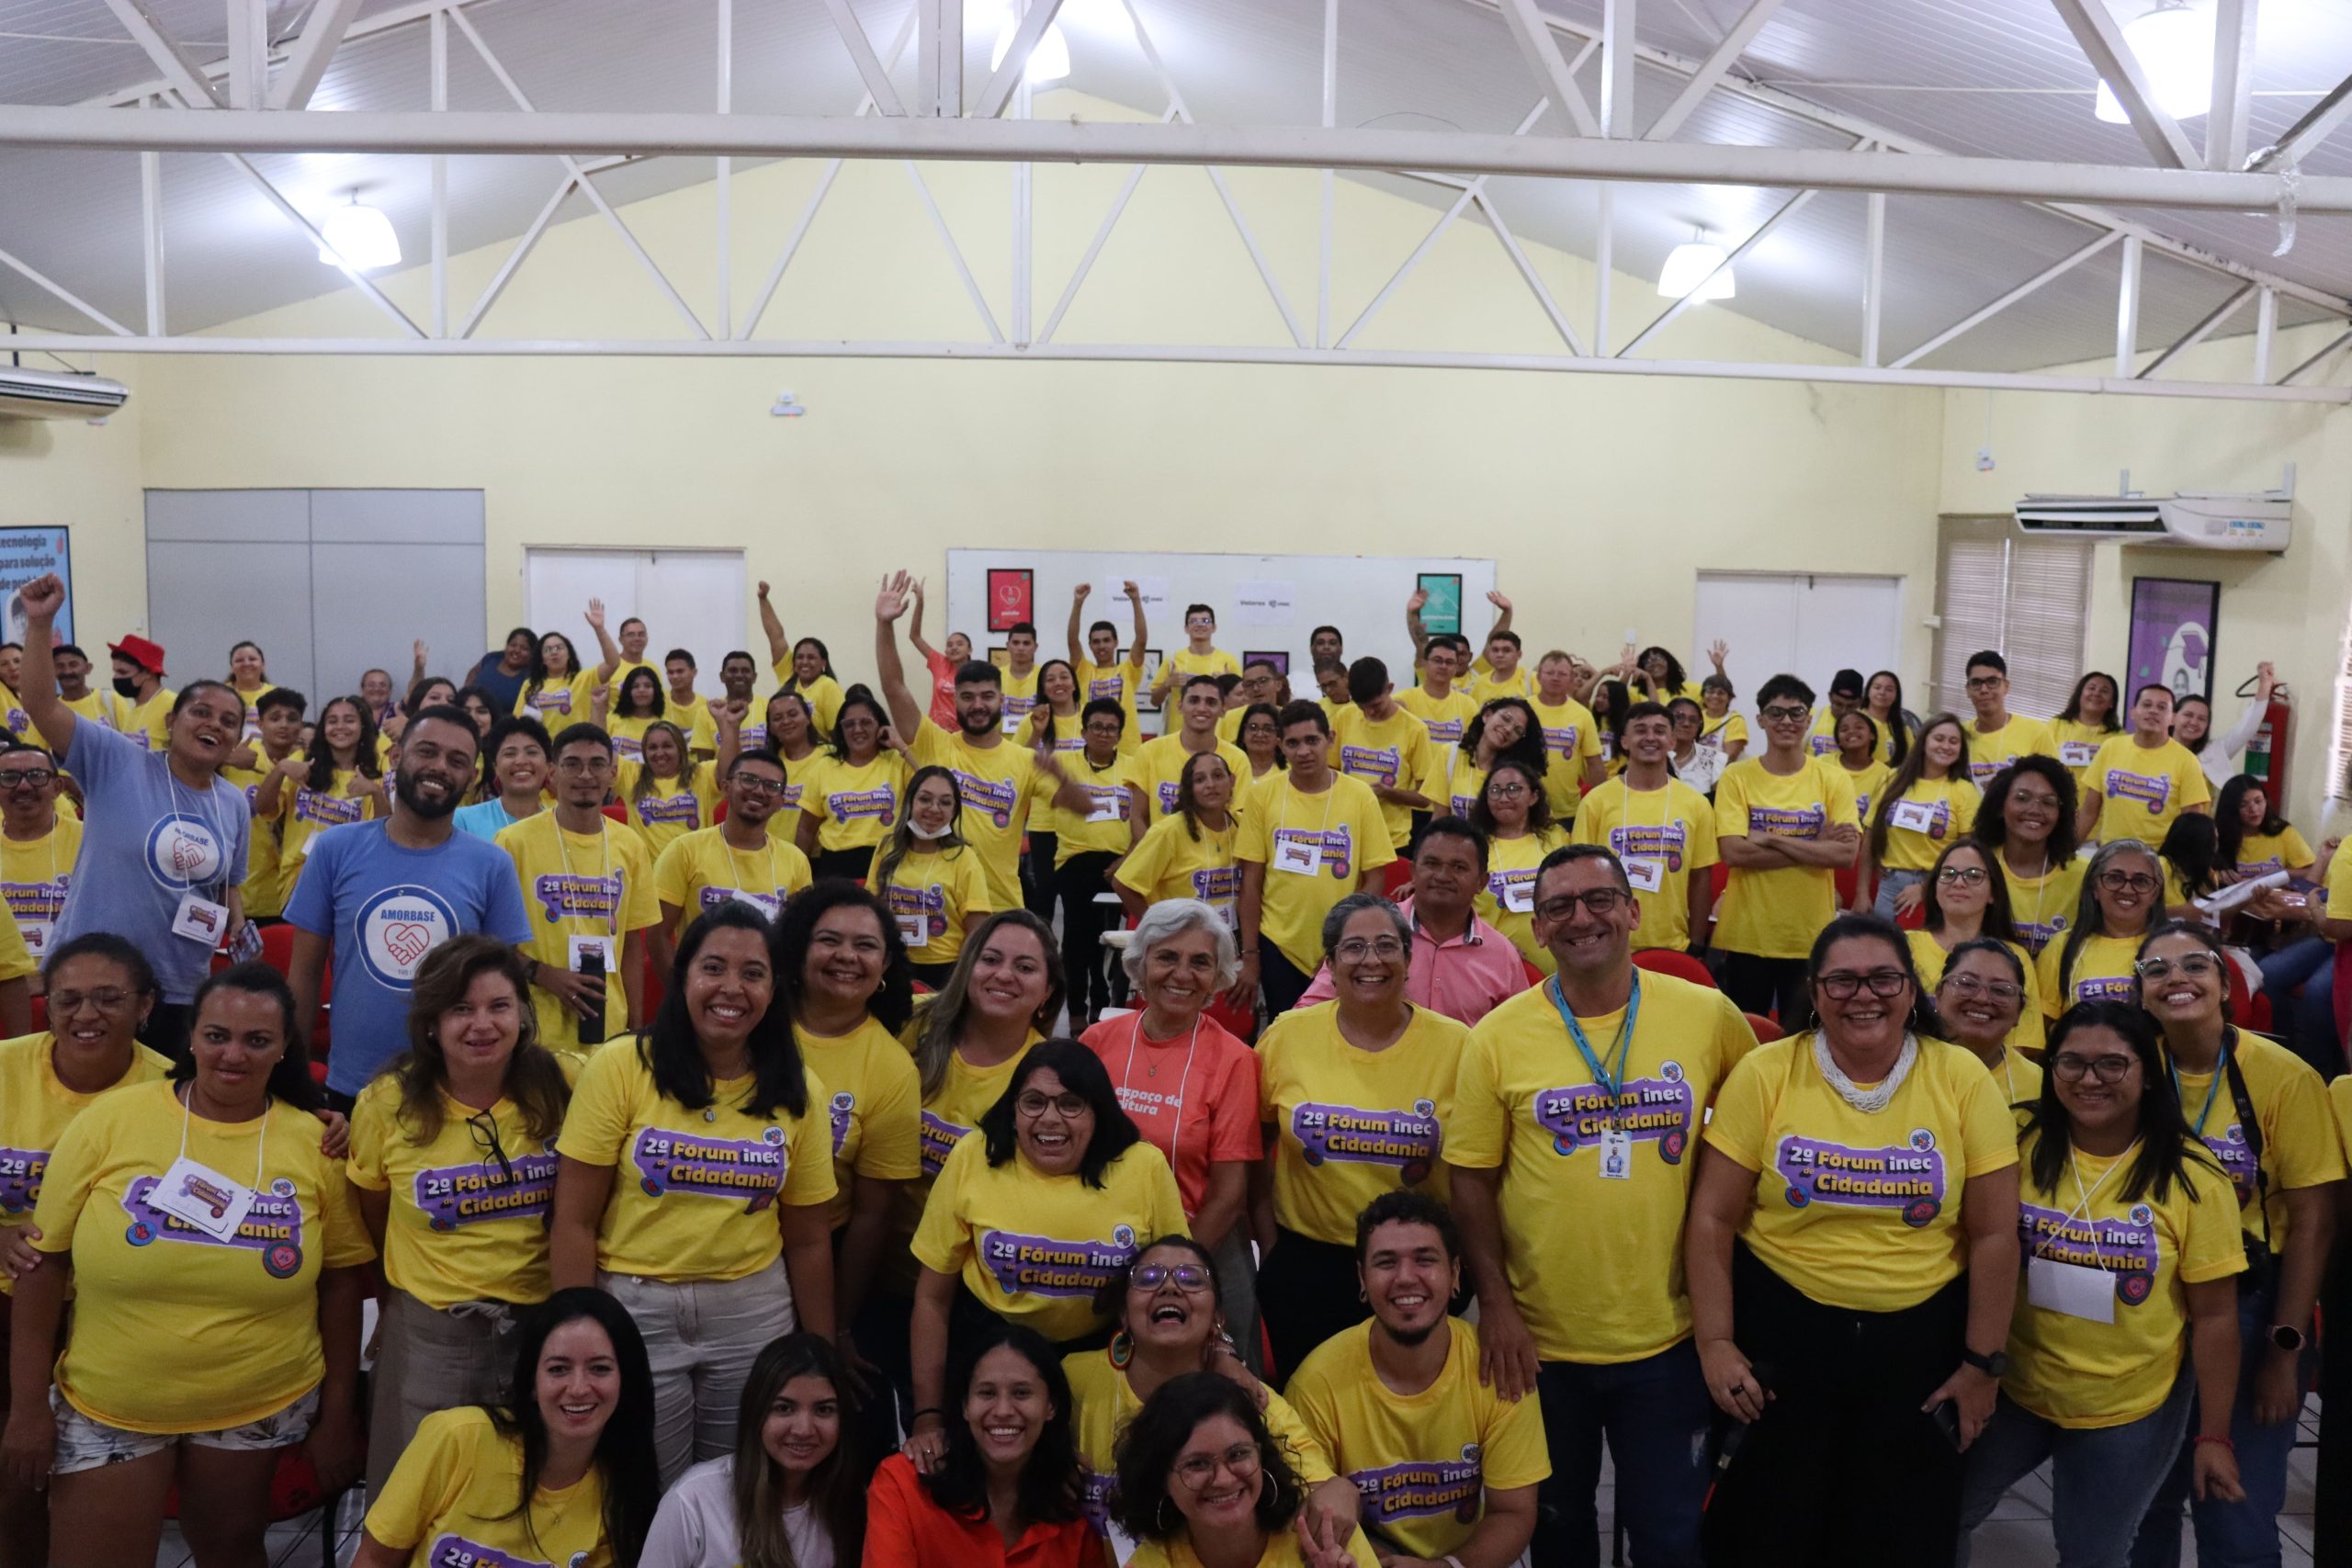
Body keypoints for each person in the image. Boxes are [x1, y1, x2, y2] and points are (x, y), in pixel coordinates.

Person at [1, 964, 371, 1568]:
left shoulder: (314, 1142)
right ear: (191, 1037)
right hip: (110, 1402)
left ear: (283, 1047)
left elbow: (340, 1282)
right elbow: (40, 1267)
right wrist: (26, 1408)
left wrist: (336, 1413)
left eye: (257, 1040)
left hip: (255, 1401)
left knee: (231, 1551)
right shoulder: (110, 1121)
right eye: (217, 1034)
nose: (234, 1054)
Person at [1447, 843, 1755, 1568]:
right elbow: (1469, 1179)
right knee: (1557, 1531)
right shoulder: (1497, 1037)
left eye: (1598, 899)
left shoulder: (1707, 1014)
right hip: (1541, 1344)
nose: (1581, 918)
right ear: (1537, 926)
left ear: (1633, 909)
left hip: (1669, 1336)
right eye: (1558, 905)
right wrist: (1494, 1303)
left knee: (1671, 1537)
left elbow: (1759, 1117)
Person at [1685, 913, 2021, 1565]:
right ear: (1813, 991)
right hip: (1782, 1342)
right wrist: (1716, 1343)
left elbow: (1993, 1234)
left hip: (1919, 1349)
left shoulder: (1960, 1076)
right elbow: (1712, 1218)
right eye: (1841, 980)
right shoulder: (1767, 1071)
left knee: (1894, 1536)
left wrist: (1983, 1366)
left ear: (1911, 988)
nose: (1862, 994)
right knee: (1767, 1530)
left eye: (1882, 978)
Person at [551, 904, 839, 1483]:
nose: (732, 988)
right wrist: (574, 1335)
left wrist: (819, 1354)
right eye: (713, 968)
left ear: (775, 988)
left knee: (740, 1484)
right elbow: (574, 1221)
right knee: (643, 1482)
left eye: (753, 973)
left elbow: (808, 1240)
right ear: (683, 976)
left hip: (752, 1314)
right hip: (636, 1310)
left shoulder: (798, 1088)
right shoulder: (621, 1067)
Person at [1954, 1000, 2246, 1567]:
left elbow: (2214, 1317)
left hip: (2129, 1405)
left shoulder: (2193, 1177)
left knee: (2093, 1553)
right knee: (1942, 1514)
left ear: (2147, 1072)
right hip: (2010, 1383)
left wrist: (2214, 1436)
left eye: (2112, 1065)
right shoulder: (2014, 1136)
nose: (2090, 1080)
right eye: (2071, 1064)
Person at [2128, 920, 2344, 1568]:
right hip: (2149, 1308)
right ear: (2140, 992)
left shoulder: (2283, 1075)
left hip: (2253, 1308)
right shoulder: (2128, 1069)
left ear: (2225, 986)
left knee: (2235, 1512)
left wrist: (2286, 1348)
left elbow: (2314, 1221)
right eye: (2157, 969)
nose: (2176, 979)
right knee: (2144, 1506)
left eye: (2195, 965)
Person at [346, 937, 571, 1494]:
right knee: (418, 1493)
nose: (482, 1025)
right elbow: (374, 1212)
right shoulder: (384, 1103)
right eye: (461, 1009)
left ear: (523, 1013)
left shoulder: (566, 1084)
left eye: (499, 1006)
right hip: (432, 1332)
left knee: (525, 1490)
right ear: (430, 1024)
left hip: (540, 1324)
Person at [908, 1042, 1187, 1461]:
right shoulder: (974, 1156)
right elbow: (931, 1298)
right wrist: (928, 1416)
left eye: (1071, 1104)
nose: (1050, 1118)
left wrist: (1218, 1357)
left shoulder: (1143, 1166)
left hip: (1101, 1354)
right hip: (986, 1346)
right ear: (1013, 1111)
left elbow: (1181, 1283)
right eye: (1033, 1102)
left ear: (1098, 1113)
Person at [19, 576, 245, 1060]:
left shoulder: (233, 802)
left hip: (180, 986)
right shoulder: (116, 761)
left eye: (229, 722)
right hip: (91, 984)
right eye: (201, 712)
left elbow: (228, 886)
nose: (214, 725)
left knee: (158, 1118)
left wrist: (242, 926)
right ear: (171, 722)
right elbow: (40, 704)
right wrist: (40, 624)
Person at [0, 936, 174, 1567]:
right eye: (68, 999)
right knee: (12, 1496)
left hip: (114, 1323)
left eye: (108, 999)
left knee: (83, 1508)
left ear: (146, 1005)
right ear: (47, 1007)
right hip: (9, 1304)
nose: (86, 1015)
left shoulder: (174, 1089)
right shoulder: (5, 1066)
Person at [1256, 894, 1468, 1380]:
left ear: (1408, 959)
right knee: (1309, 1409)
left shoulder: (1459, 1046)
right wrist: (1272, 1247)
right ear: (1328, 963)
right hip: (1308, 1264)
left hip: (1415, 1267)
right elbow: (1255, 1145)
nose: (1371, 961)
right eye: (1353, 948)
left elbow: (1478, 1171)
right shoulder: (1287, 1037)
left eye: (1386, 946)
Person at [285, 708, 535, 1109]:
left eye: (456, 761)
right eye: (427, 752)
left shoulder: (492, 864)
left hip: (457, 1090)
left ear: (471, 779)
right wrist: (292, 1073)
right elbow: (304, 973)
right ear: (396, 756)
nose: (439, 767)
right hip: (354, 1086)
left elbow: (506, 988)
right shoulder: (335, 849)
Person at [1286, 1191, 1546, 1567]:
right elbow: (1311, 1521)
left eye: (1425, 1260)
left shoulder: (1497, 1366)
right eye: (1386, 1263)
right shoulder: (1316, 1382)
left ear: (1456, 1274)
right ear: (1362, 1277)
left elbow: (1513, 1512)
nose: (1406, 1278)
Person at [356, 1286, 661, 1568]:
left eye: (600, 1369)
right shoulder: (458, 1438)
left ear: (625, 1381)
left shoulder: (621, 1495)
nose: (579, 1387)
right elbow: (374, 1559)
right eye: (558, 1369)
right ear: (531, 1382)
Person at [1064, 1235, 1350, 1529]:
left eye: (1191, 1279)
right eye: (1148, 1278)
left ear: (1218, 1319)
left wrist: (1342, 1492)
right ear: (1124, 1314)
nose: (1170, 1287)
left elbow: (1324, 1490)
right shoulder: (1074, 1378)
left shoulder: (1251, 1399)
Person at [768, 884, 921, 1432]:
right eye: (828, 940)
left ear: (884, 965)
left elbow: (873, 1215)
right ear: (798, 948)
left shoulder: (890, 1067)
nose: (846, 957)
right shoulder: (754, 1017)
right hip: (724, 1240)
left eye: (865, 946)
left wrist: (838, 1324)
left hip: (822, 1252)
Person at [1081, 903, 1262, 1339]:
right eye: (1167, 957)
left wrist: (1169, 1275)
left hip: (1201, 1248)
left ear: (1217, 977)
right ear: (1140, 964)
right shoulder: (1096, 1042)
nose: (1182, 974)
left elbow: (1228, 1194)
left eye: (1200, 962)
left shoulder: (1236, 1060)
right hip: (1095, 1243)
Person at [873, 572, 1092, 912]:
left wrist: (1061, 775)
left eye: (987, 696)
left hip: (1000, 908)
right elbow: (893, 687)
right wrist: (884, 625)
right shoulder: (935, 744)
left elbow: (1084, 808)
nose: (977, 705)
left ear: (1001, 700)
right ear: (954, 700)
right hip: (939, 906)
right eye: (968, 696)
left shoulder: (1023, 759)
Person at [866, 1321, 1097, 1567]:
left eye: (1021, 1393)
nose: (1003, 1410)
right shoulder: (903, 1483)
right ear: (965, 1406)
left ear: (1051, 1406)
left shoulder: (1074, 1505)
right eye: (987, 1393)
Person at [499, 723, 662, 1058]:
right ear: (553, 774)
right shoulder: (514, 842)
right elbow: (491, 940)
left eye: (597, 764)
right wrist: (544, 974)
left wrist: (633, 1028)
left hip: (607, 1027)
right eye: (572, 764)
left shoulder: (630, 845)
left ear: (613, 774)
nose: (585, 775)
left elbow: (633, 944)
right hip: (533, 1028)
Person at [642, 1331, 867, 1568]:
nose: (804, 1429)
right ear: (757, 1412)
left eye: (823, 1410)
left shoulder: (853, 1504)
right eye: (784, 1408)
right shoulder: (693, 1500)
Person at [1111, 1371, 1376, 1568]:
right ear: (1161, 1478)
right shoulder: (1149, 1564)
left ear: (1262, 1455)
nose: (1224, 1479)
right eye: (1197, 1464)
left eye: (1238, 1454)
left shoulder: (1326, 1533)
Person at [1712, 674, 1861, 1023]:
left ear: (1809, 719)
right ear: (1760, 719)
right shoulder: (1737, 777)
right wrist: (1815, 844)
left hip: (1809, 935)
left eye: (1796, 713)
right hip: (1747, 934)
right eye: (1776, 713)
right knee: (1745, 1040)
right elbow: (1734, 853)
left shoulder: (1833, 779)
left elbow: (1845, 855)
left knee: (1805, 1039)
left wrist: (1769, 838)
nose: (1786, 722)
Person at [1234, 703, 1396, 1018]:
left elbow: (1374, 877)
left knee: (1343, 1030)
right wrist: (1250, 955)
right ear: (1281, 745)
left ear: (1330, 739)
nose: (1303, 751)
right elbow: (1251, 882)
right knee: (1286, 1030)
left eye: (1312, 740)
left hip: (1343, 945)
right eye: (1293, 743)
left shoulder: (1360, 795)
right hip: (1278, 943)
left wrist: (1350, 937)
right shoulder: (1262, 796)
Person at [1294, 818, 1531, 1026]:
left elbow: (1516, 1035)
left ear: (1481, 882)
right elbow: (1309, 1012)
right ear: (1413, 871)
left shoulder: (1502, 955)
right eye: (1432, 864)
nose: (1443, 876)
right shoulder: (1366, 932)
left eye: (1458, 867)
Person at [1573, 701, 1720, 956]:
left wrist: (1696, 943)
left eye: (1660, 731)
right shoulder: (1596, 802)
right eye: (1640, 730)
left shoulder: (1696, 804)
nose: (1650, 737)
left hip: (1673, 944)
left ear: (1672, 741)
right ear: (1625, 741)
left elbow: (1700, 879)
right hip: (1609, 944)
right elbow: (1582, 878)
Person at [651, 747, 815, 955]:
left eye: (772, 786)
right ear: (726, 787)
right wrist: (683, 987)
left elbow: (797, 938)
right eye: (749, 780)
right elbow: (658, 936)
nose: (759, 790)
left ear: (780, 803)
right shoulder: (684, 850)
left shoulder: (796, 860)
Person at [1038, 697, 1132, 1027]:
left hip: (1121, 864)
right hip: (1076, 861)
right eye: (1097, 727)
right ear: (1083, 731)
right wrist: (1065, 779)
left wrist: (1125, 859)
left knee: (1115, 936)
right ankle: (1080, 1008)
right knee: (1080, 938)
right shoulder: (1064, 763)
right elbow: (1060, 799)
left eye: (1111, 729)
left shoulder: (1133, 767)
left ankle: (1108, 1000)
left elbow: (1142, 822)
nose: (1104, 734)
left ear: (1120, 734)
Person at [1910, 838, 2046, 1054]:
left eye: (1973, 876)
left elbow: (2022, 1046)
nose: (1958, 883)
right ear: (1934, 888)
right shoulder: (1904, 946)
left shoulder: (2015, 957)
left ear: (1994, 892)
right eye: (1948, 874)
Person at [868, 765, 995, 990]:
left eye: (945, 802)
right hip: (891, 963)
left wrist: (960, 981)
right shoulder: (886, 848)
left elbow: (977, 931)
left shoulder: (964, 857)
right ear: (910, 802)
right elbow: (871, 908)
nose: (934, 809)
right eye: (925, 799)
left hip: (945, 970)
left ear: (955, 810)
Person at [254, 693, 386, 900]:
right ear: (323, 730)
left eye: (349, 720)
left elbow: (383, 836)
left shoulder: (373, 776)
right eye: (332, 721)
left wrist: (376, 793)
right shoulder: (301, 761)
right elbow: (262, 807)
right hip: (296, 881)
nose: (340, 726)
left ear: (363, 727)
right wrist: (280, 770)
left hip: (347, 881)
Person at [1855, 711, 1979, 919]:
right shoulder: (1892, 778)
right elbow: (1868, 839)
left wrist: (1925, 888)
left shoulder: (1964, 791)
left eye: (1953, 741)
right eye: (1939, 739)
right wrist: (1861, 893)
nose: (1946, 746)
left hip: (1938, 890)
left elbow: (1967, 855)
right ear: (1923, 742)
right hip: (1889, 887)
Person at [1117, 750, 1243, 930]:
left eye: (1218, 776)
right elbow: (1124, 884)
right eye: (1200, 780)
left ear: (1232, 781)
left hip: (1230, 936)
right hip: (1182, 941)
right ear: (1189, 789)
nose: (1211, 785)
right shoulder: (1168, 831)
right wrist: (1161, 931)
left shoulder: (1245, 825)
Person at [2041, 839, 2167, 1016]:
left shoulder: (2171, 947)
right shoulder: (2062, 946)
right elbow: (2042, 1029)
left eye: (2141, 881)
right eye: (2115, 878)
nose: (2127, 889)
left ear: (2155, 893)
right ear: (2094, 888)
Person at [797, 688, 909, 884]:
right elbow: (806, 829)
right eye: (849, 724)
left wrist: (901, 746)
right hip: (836, 867)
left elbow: (931, 785)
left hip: (888, 865)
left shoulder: (896, 761)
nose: (857, 729)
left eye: (866, 722)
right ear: (840, 730)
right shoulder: (824, 766)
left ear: (880, 727)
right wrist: (797, 877)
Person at [1977, 753, 2086, 954]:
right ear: (2001, 806)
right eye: (2022, 798)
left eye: (2048, 802)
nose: (2035, 809)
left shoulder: (2085, 875)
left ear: (2061, 814)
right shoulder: (1977, 864)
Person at [2080, 684, 2211, 849]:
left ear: (2172, 718)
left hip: (2158, 861)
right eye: (2147, 705)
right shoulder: (2110, 747)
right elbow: (2089, 812)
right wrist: (2063, 855)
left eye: (2162, 707)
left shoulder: (2187, 761)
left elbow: (2192, 827)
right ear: (2133, 712)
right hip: (2110, 855)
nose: (2153, 711)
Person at [1330, 658, 1434, 853]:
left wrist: (1387, 792)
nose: (1370, 712)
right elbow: (1330, 770)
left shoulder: (1415, 729)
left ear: (1389, 688)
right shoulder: (1344, 717)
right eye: (1362, 706)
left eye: (1376, 705)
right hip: (1345, 833)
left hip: (1392, 840)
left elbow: (1425, 798)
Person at [1933, 937, 2045, 1114]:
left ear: (2020, 1010)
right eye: (1966, 984)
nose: (1982, 998)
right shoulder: (1902, 1068)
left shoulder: (2039, 1085)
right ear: (1938, 995)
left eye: (2001, 990)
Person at [1129, 675, 1250, 831]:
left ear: (1223, 709)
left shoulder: (1237, 759)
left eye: (1211, 702)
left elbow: (1238, 822)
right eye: (1194, 700)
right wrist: (1153, 853)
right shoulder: (1149, 751)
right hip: (1161, 853)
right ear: (1180, 706)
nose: (1201, 708)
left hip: (1216, 853)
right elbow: (1138, 816)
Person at [0, 739, 81, 965]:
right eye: (9, 778)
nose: (24, 786)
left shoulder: (91, 841)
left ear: (57, 788)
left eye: (36, 776)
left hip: (71, 983)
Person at [1422, 697, 1545, 822]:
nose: (1508, 729)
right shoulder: (1450, 755)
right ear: (1487, 715)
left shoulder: (1516, 774)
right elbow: (1440, 818)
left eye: (1518, 730)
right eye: (1506, 718)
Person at [617, 717, 713, 856]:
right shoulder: (631, 775)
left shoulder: (701, 774)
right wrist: (599, 707)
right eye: (652, 747)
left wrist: (728, 726)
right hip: (649, 872)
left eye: (667, 746)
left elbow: (732, 769)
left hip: (694, 870)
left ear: (680, 748)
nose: (660, 753)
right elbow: (599, 753)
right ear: (644, 752)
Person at [2175, 662, 2279, 789]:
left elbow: (2246, 727)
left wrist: (2264, 685)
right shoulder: (2156, 750)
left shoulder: (2213, 751)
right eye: (2188, 715)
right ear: (2173, 717)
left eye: (2202, 719)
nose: (2194, 722)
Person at [1962, 650, 2059, 784]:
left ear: (2006, 687)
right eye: (1976, 683)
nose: (1984, 689)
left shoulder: (2036, 732)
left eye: (1992, 681)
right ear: (1968, 690)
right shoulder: (1958, 736)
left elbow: (2056, 784)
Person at [453, 714, 551, 843]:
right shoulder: (462, 821)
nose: (521, 761)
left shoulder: (560, 825)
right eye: (510, 753)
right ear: (495, 767)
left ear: (548, 766)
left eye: (532, 752)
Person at [515, 608, 617, 723]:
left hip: (576, 740)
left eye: (559, 648)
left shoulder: (583, 679)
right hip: (542, 741)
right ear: (542, 659)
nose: (554, 652)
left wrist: (600, 629)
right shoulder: (530, 684)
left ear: (569, 654)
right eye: (548, 649)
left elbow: (613, 663)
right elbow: (518, 720)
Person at [903, 578, 970, 733]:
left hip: (963, 734)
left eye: (960, 644)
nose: (954, 648)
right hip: (936, 733)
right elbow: (915, 636)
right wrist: (920, 601)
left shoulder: (976, 672)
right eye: (950, 645)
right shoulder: (940, 663)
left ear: (969, 650)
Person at [1153, 604, 1240, 705]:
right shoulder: (1172, 660)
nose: (1199, 625)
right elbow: (1155, 701)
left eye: (1205, 621)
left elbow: (1243, 701)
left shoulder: (1228, 661)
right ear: (1186, 628)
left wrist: (1226, 684)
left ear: (1214, 627)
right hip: (1178, 720)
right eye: (1193, 621)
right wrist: (1167, 684)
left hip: (1218, 720)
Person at [2052, 670, 2125, 788]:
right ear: (2080, 694)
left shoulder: (2120, 737)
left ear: (2112, 703)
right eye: (2092, 688)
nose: (2096, 693)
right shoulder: (2056, 725)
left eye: (2104, 691)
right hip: (2058, 800)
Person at [106, 631, 174, 750]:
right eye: (115, 672)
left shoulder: (172, 705)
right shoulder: (134, 711)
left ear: (147, 672)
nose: (116, 678)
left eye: (122, 672)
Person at [1833, 709, 1893, 828]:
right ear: (1838, 740)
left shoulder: (1885, 774)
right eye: (1844, 729)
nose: (1851, 732)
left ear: (1872, 735)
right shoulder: (1823, 764)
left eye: (1859, 727)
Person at [465, 627, 537, 717]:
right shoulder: (492, 658)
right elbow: (474, 671)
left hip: (502, 727)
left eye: (524, 648)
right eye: (513, 645)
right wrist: (465, 693)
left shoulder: (530, 676)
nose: (517, 650)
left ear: (532, 654)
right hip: (471, 718)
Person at [1665, 695, 1727, 796]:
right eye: (1679, 717)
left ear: (1699, 725)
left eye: (1693, 720)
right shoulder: (1655, 754)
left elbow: (1718, 801)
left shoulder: (1715, 759)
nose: (1686, 724)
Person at [1804, 669, 1867, 759]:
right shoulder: (1811, 716)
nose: (1843, 711)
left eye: (1850, 706)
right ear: (1830, 696)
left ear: (1860, 702)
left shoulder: (1868, 725)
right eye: (1838, 704)